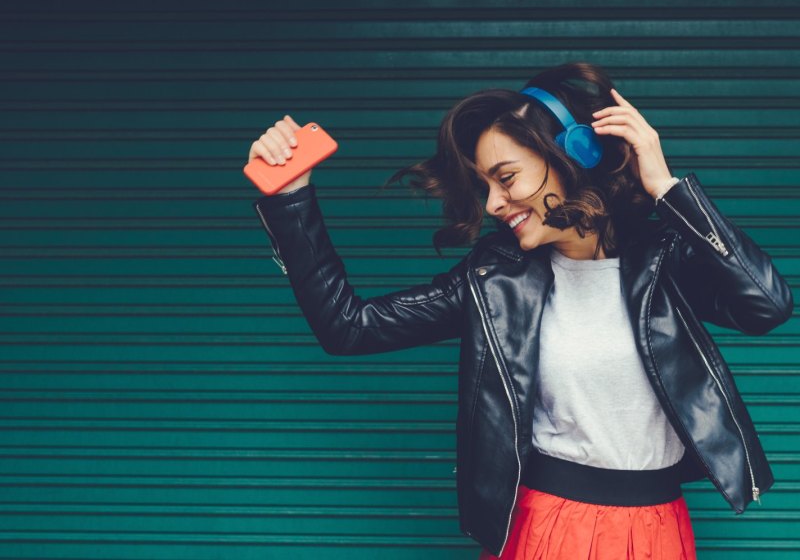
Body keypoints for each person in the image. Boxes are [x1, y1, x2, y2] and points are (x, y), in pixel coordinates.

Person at [245, 61, 793, 559]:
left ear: (573, 156)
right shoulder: (495, 276)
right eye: (486, 186)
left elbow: (766, 305)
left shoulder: (666, 259)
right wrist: (291, 199)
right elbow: (349, 327)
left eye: (505, 178)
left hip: (658, 531)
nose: (493, 204)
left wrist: (667, 188)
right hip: (548, 527)